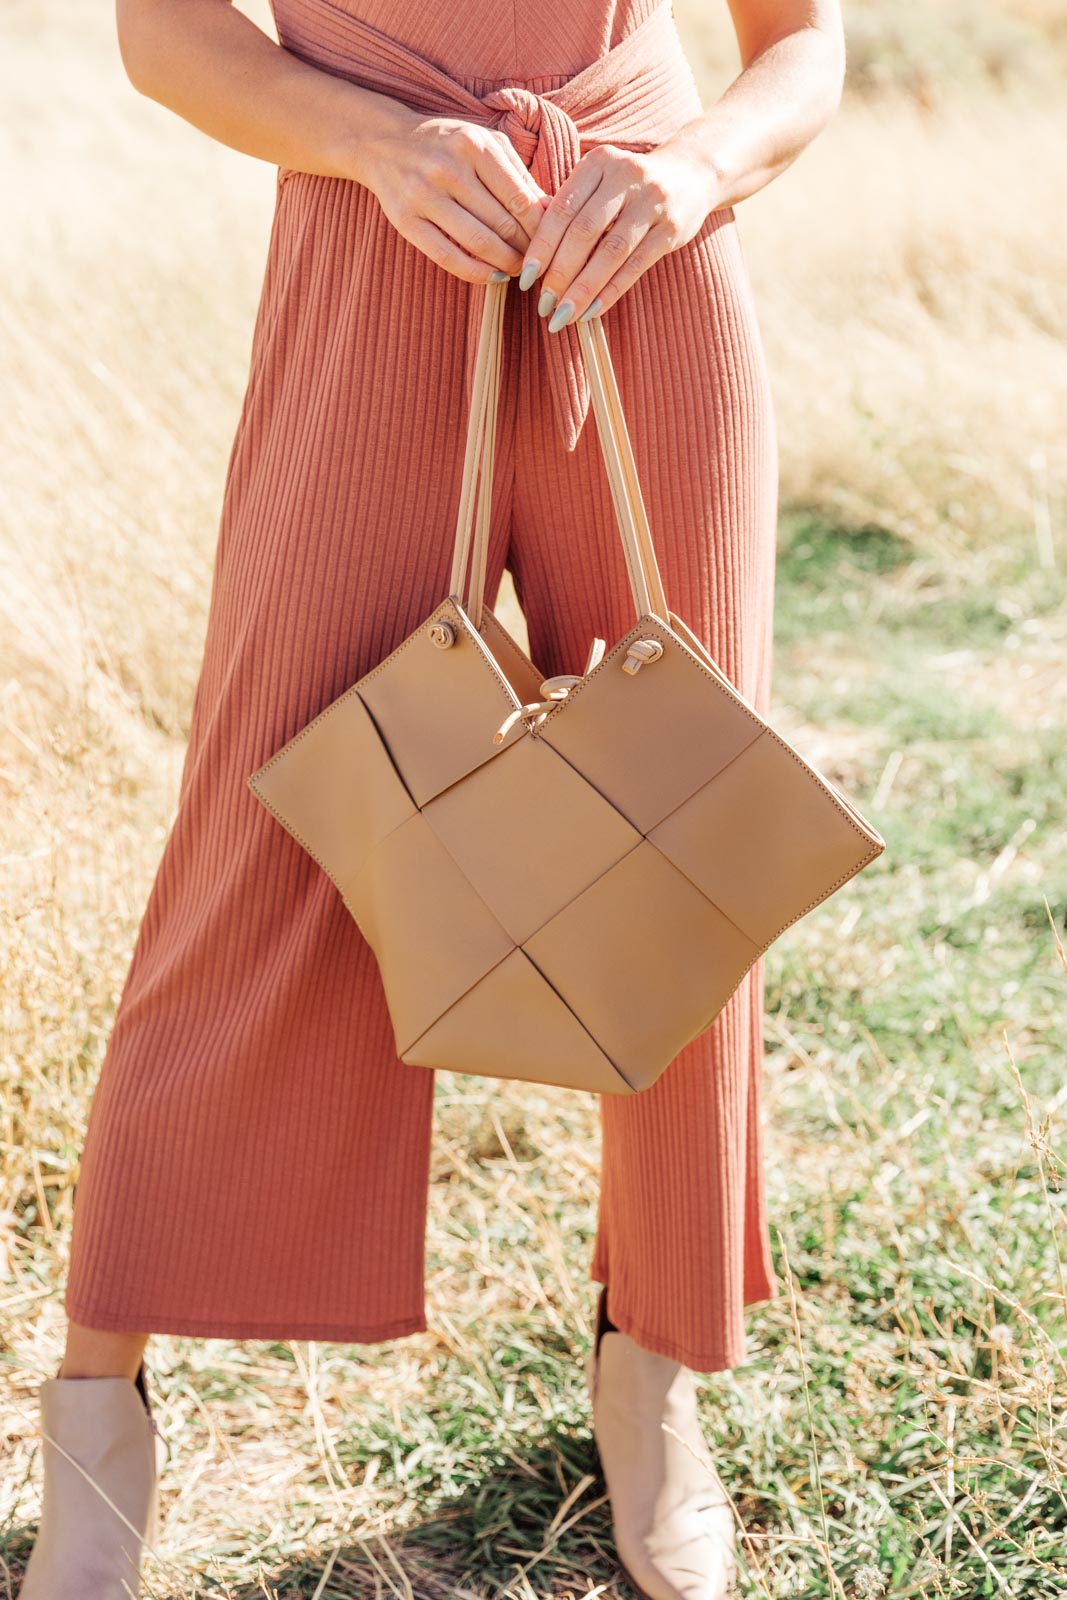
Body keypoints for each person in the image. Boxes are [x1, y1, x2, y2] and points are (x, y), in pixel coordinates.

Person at [19, 1, 846, 1596]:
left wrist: (693, 173)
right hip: (368, 267)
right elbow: (163, 31)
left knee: (685, 834)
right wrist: (376, 143)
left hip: (647, 278)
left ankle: (653, 1368)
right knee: (254, 838)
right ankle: (96, 1403)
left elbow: (800, 46)